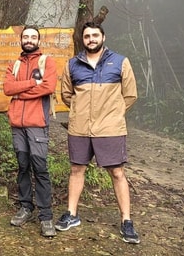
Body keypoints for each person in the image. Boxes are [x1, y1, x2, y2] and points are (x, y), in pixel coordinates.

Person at [55, 21, 140, 244]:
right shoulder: (72, 64)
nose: (91, 39)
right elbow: (66, 94)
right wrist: (79, 112)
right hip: (80, 128)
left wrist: (114, 114)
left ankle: (126, 221)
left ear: (103, 37)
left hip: (110, 128)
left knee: (117, 172)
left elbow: (130, 95)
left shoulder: (120, 62)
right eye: (87, 36)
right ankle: (72, 214)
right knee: (76, 169)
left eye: (95, 35)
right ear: (82, 40)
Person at [2, 26, 58, 237]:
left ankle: (46, 216)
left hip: (37, 124)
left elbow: (48, 87)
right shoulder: (14, 64)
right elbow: (8, 89)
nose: (29, 40)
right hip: (17, 124)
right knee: (23, 166)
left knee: (40, 168)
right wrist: (31, 84)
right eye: (26, 37)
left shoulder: (47, 62)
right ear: (21, 39)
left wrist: (20, 91)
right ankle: (26, 207)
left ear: (38, 40)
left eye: (33, 37)